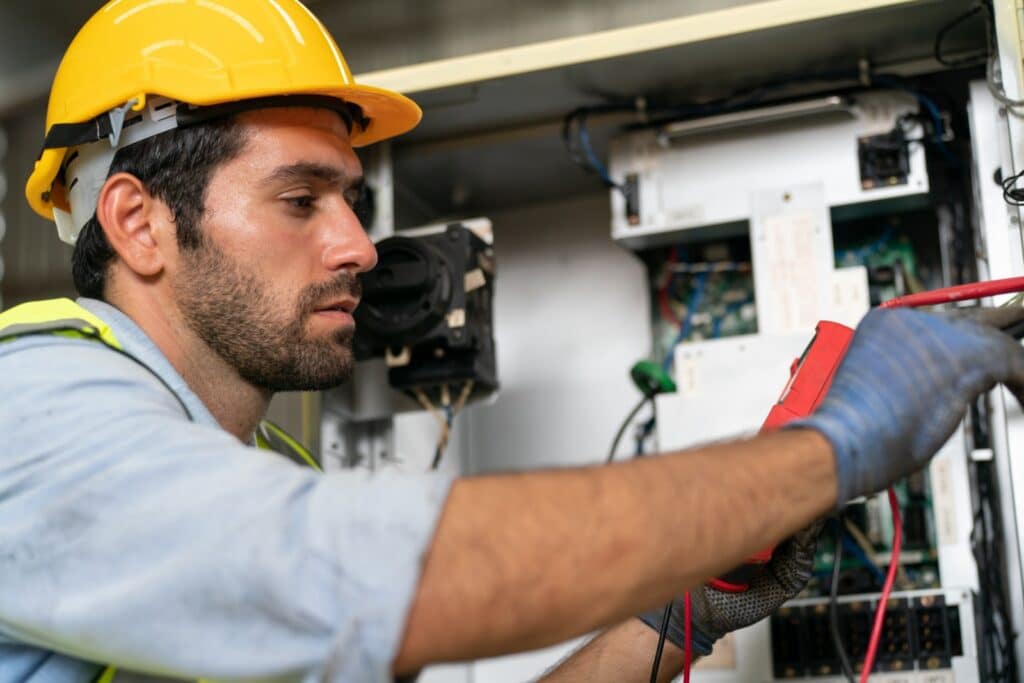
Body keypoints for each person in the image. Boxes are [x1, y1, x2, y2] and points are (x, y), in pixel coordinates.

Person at [3, 1, 1024, 682]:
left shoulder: (258, 465)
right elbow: (365, 567)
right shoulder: (30, 412)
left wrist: (675, 621)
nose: (359, 246)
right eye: (300, 199)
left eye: (350, 200)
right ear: (137, 223)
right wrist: (822, 452)